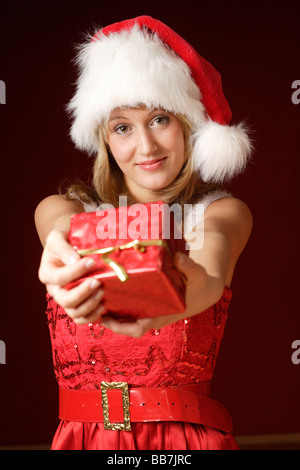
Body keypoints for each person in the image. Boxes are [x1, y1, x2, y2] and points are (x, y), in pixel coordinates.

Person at [34, 16, 253, 450]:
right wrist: (64, 252)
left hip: (186, 444)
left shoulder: (221, 213)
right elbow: (61, 230)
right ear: (106, 140)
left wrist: (175, 293)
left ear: (188, 125)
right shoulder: (65, 209)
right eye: (122, 127)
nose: (147, 147)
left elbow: (210, 268)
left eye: (159, 120)